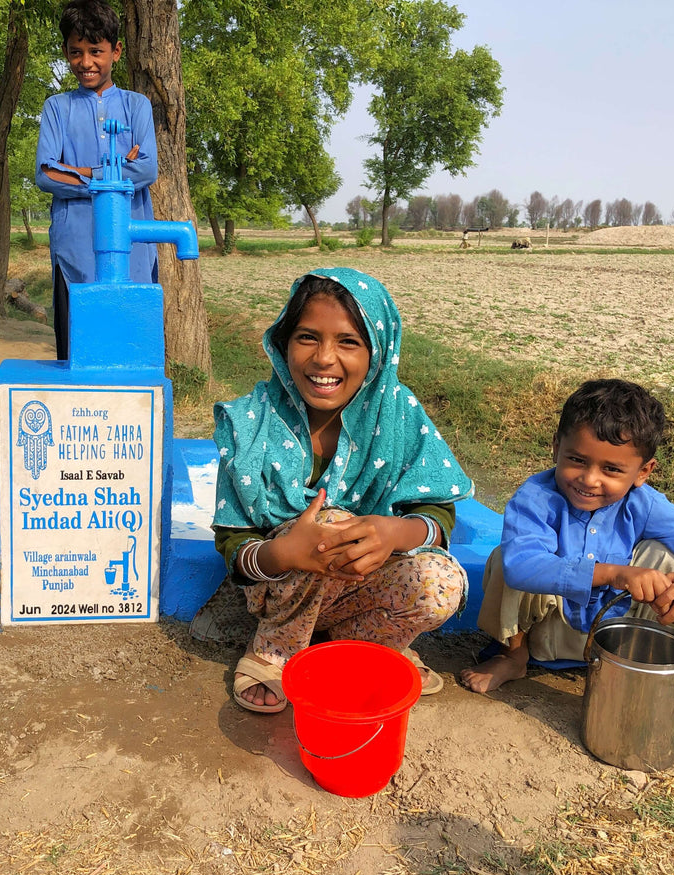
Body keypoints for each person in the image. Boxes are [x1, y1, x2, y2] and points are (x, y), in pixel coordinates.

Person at [190, 267, 475, 713]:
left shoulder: (399, 415)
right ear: (283, 345)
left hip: (360, 586)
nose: (324, 359)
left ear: (378, 353)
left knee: (439, 583)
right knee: (331, 523)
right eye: (307, 337)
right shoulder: (252, 422)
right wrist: (283, 554)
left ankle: (367, 647)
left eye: (348, 342)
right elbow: (232, 541)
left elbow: (436, 514)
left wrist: (395, 534)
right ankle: (275, 652)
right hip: (277, 588)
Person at [460, 379, 674, 716]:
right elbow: (523, 567)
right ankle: (512, 657)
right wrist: (613, 574)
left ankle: (664, 669)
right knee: (509, 557)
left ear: (643, 472)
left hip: (621, 644)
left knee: (672, 561)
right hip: (547, 637)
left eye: (611, 469)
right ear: (556, 449)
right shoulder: (536, 498)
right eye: (577, 460)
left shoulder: (645, 505)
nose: (589, 479)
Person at [35, 0, 158, 361]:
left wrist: (78, 171)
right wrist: (114, 175)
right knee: (76, 354)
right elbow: (45, 174)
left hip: (132, 252)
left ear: (116, 52)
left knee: (132, 352)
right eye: (76, 52)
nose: (86, 62)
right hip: (74, 252)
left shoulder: (138, 106)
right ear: (65, 52)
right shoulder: (57, 108)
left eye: (95, 51)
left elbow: (147, 170)